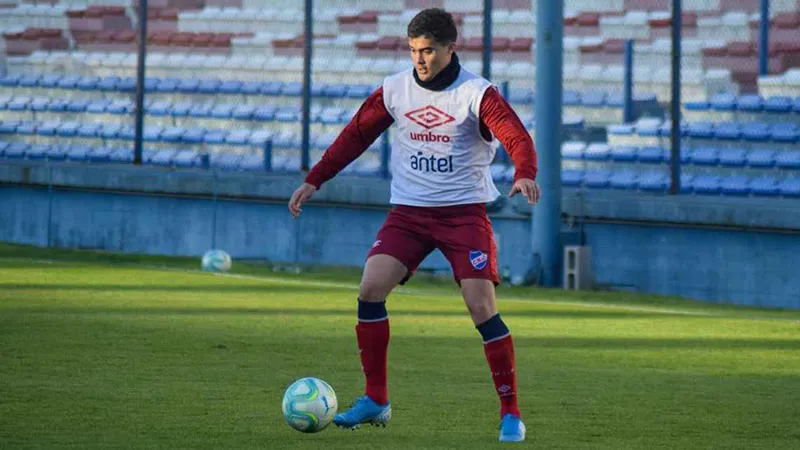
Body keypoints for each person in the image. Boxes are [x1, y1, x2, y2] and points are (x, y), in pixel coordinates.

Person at [288, 8, 539, 443]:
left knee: (481, 306)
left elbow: (515, 134)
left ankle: (511, 412)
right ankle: (376, 400)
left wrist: (525, 171)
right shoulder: (395, 90)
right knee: (370, 288)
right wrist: (315, 179)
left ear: (450, 48)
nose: (419, 59)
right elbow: (355, 135)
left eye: (428, 51)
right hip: (408, 213)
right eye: (413, 51)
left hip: (463, 214)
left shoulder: (475, 93)